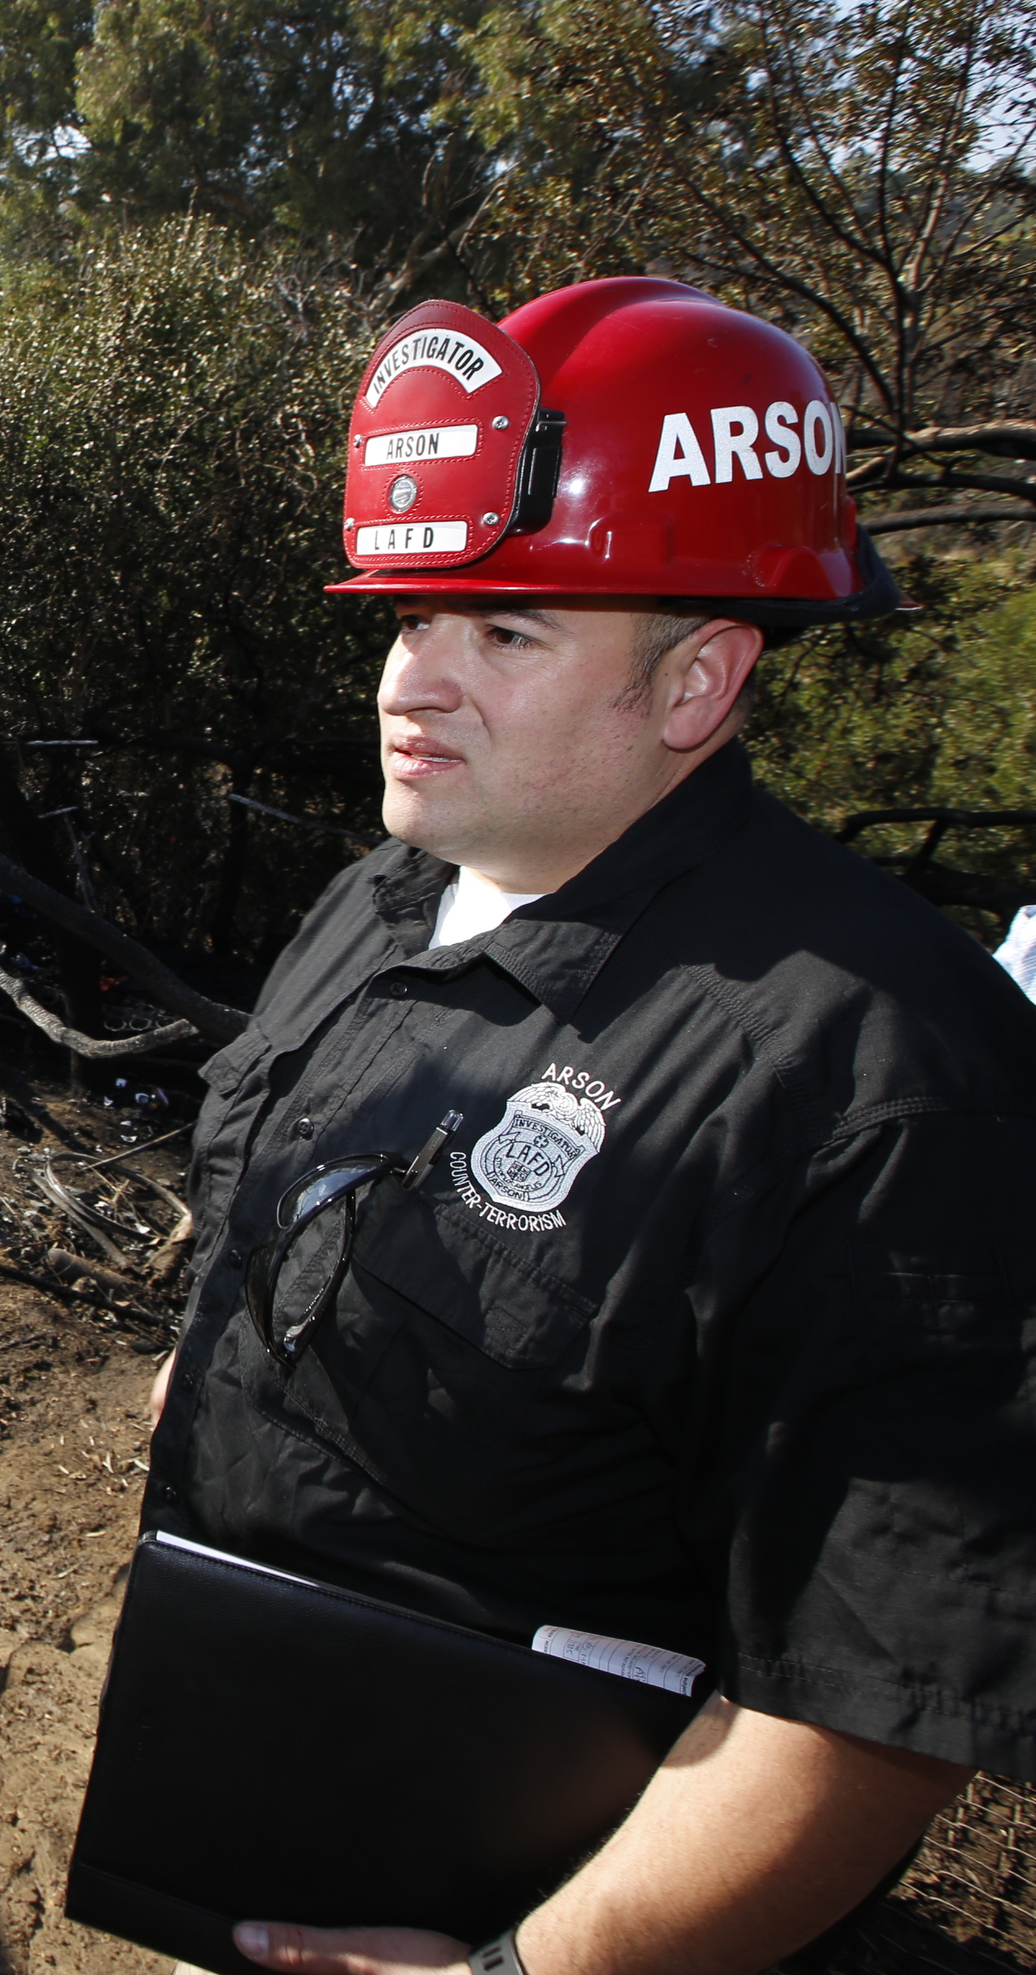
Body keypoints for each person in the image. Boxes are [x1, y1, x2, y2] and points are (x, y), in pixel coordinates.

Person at [134, 277, 1036, 1975]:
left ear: (700, 678)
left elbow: (865, 1715)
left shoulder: (883, 1083)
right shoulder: (384, 895)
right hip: (263, 1792)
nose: (414, 681)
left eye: (507, 632)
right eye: (409, 618)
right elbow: (275, 1188)